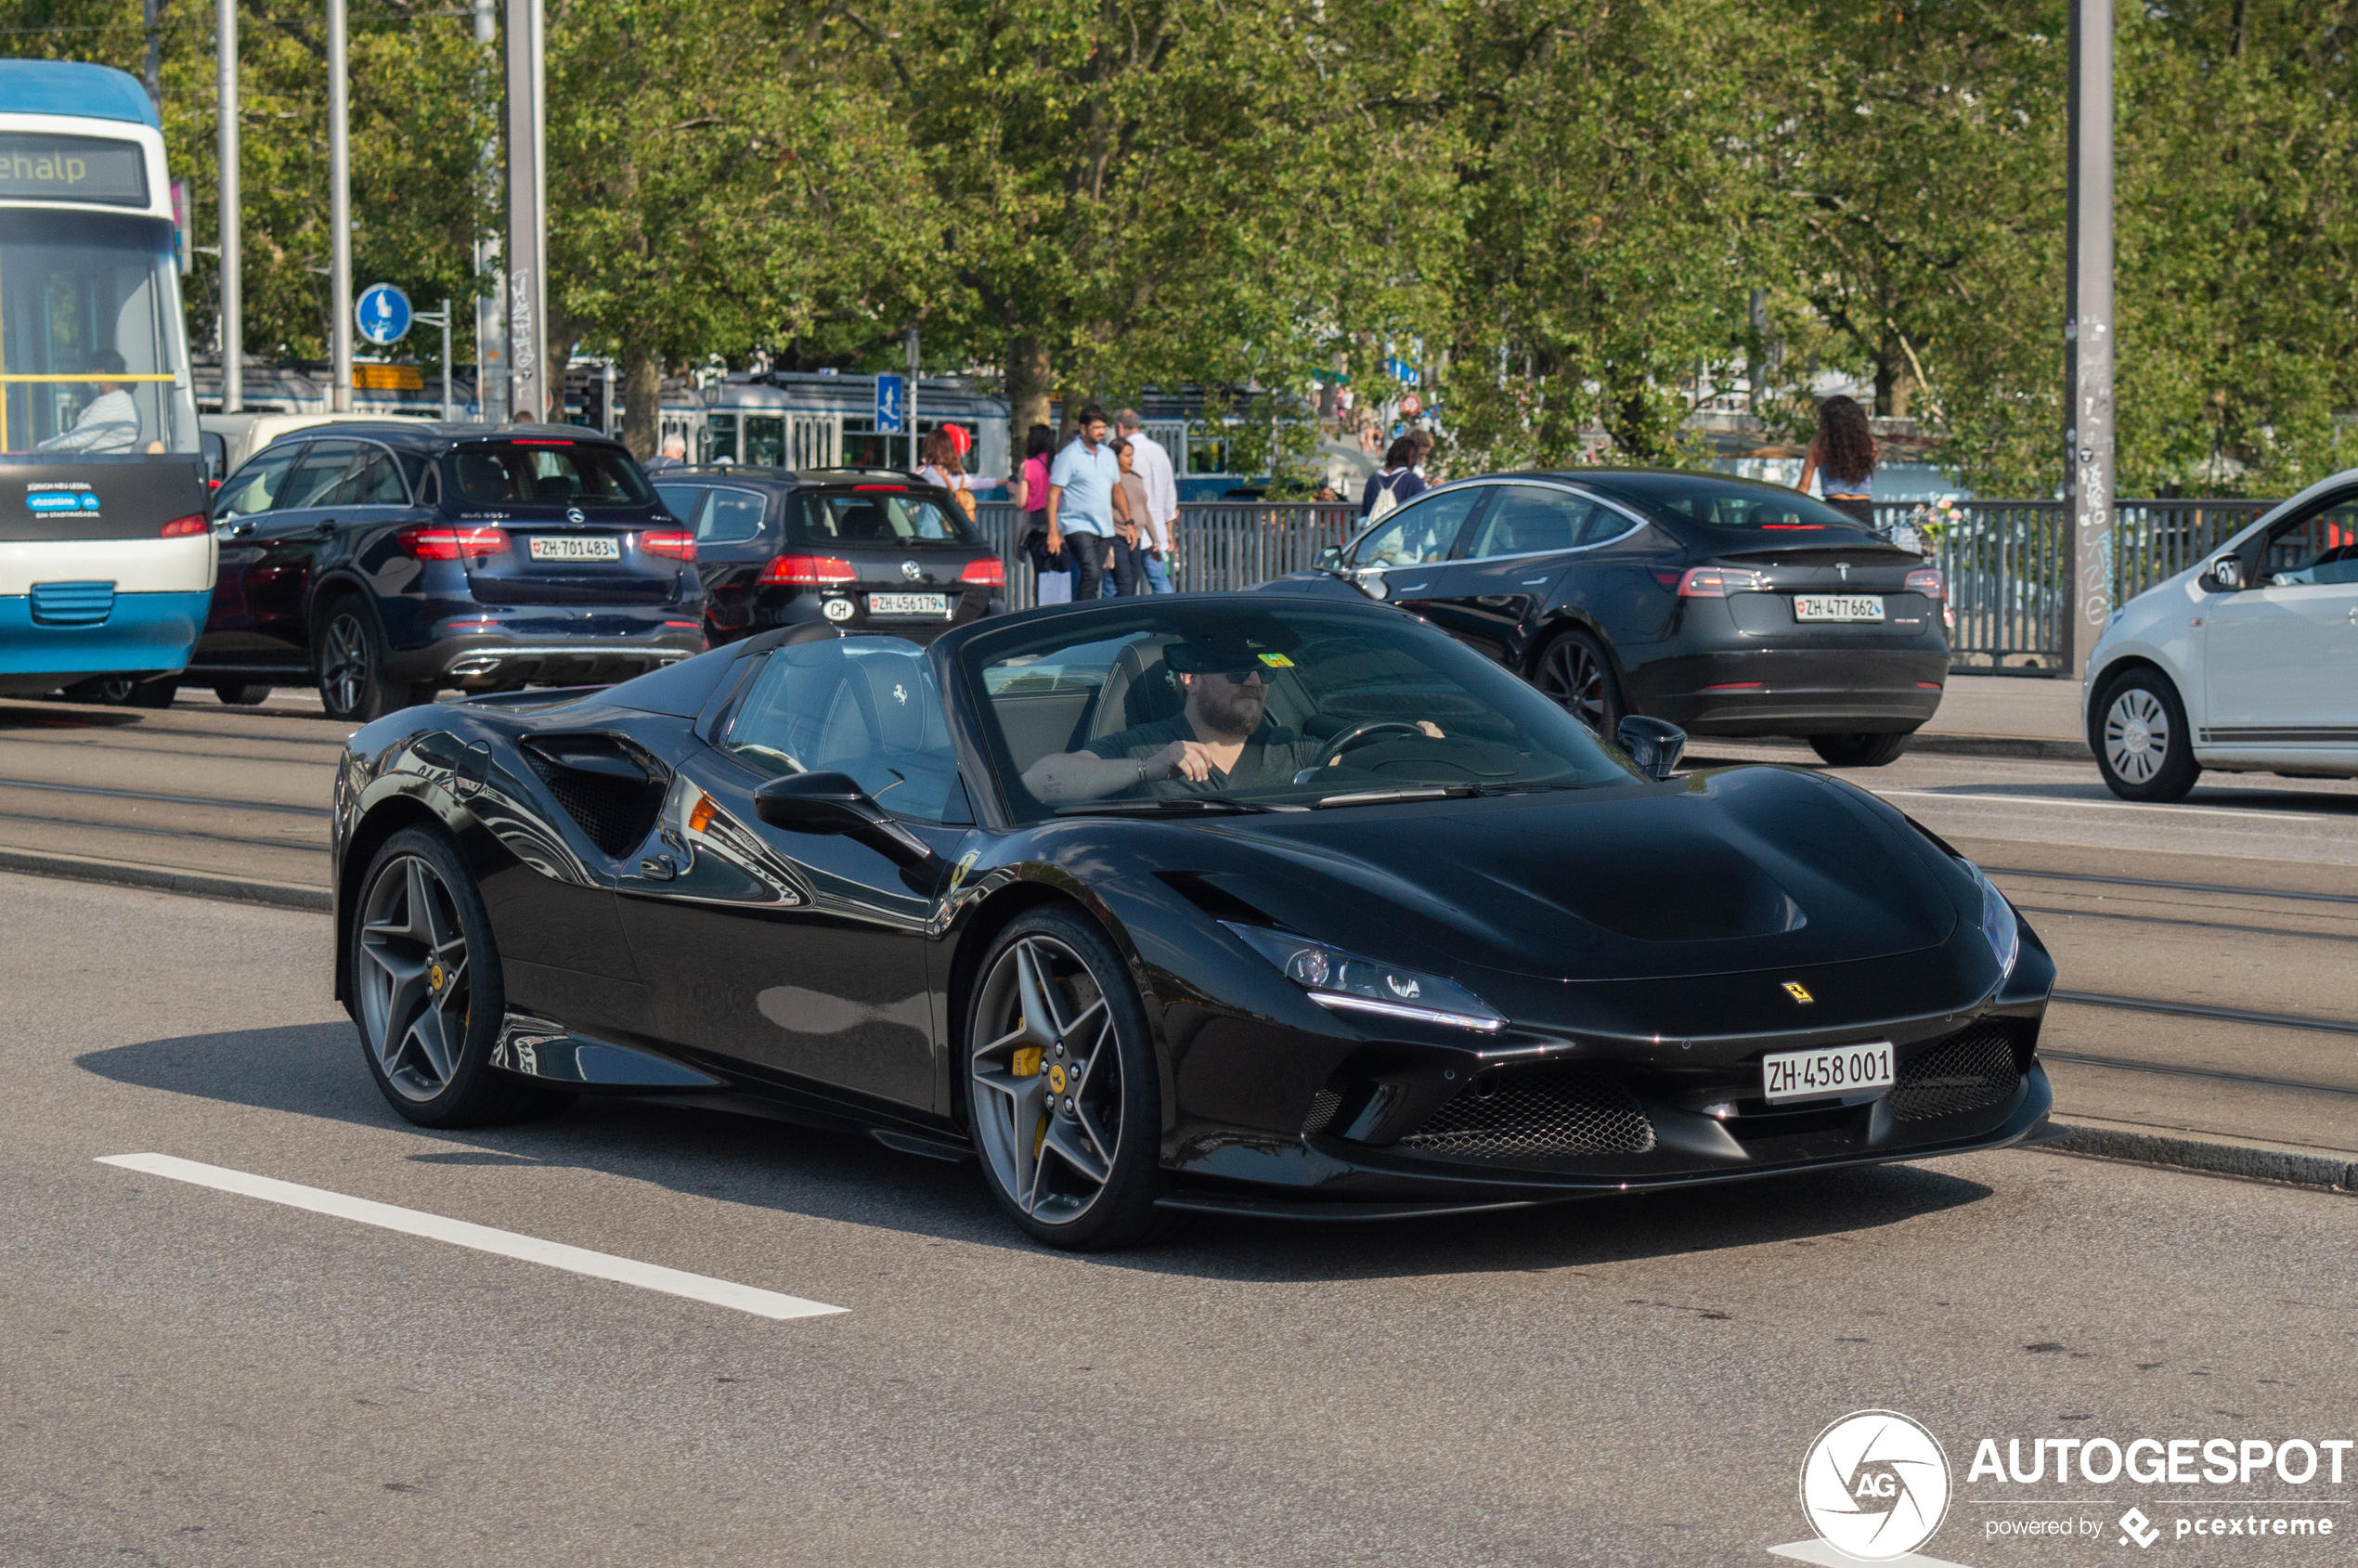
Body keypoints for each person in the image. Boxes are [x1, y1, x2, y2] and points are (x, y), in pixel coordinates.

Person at [1021, 637, 1444, 803]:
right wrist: (1147, 769)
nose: (1256, 681)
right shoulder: (1146, 747)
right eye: (1239, 671)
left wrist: (1419, 752)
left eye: (1266, 671)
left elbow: (1373, 777)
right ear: (1191, 679)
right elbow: (1041, 781)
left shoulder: (1293, 750)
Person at [1047, 405, 1121, 602]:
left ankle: (1084, 612)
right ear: (1083, 429)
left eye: (1103, 427)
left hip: (1104, 526)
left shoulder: (1108, 455)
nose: (1102, 432)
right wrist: (1053, 531)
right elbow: (1053, 494)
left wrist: (1128, 521)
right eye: (1096, 428)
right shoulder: (1069, 456)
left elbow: (1117, 489)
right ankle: (1082, 616)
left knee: (1092, 577)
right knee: (1092, 572)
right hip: (1076, 525)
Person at [1116, 409, 1178, 592]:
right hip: (1155, 531)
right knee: (1160, 582)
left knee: (1123, 586)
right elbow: (1170, 492)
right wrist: (1168, 530)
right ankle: (1171, 615)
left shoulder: (1122, 454)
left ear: (1120, 427)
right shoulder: (1159, 451)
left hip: (1128, 531)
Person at [1797, 395, 1878, 526]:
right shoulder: (1869, 443)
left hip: (1834, 506)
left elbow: (1804, 485)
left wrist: (1792, 512)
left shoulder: (1819, 444)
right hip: (1863, 508)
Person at [37, 352, 138, 453]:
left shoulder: (112, 402)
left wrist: (41, 448)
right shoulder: (122, 398)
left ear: (101, 373)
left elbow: (79, 439)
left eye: (90, 371)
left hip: (100, 464)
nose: (87, 376)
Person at [1013, 422, 1069, 603]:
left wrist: (1015, 489)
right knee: (1062, 571)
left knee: (1042, 574)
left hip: (1037, 525)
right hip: (1061, 523)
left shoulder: (1027, 466)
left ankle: (1043, 609)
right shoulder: (1060, 462)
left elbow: (1021, 502)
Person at [915, 426, 1001, 521]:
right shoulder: (958, 473)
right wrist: (1003, 481)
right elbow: (976, 482)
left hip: (931, 522)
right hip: (954, 522)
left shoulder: (928, 473)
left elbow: (908, 499)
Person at [1359, 434, 1425, 520]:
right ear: (1411, 457)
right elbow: (1421, 514)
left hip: (1377, 532)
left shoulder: (1373, 480)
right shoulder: (1413, 481)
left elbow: (1365, 515)